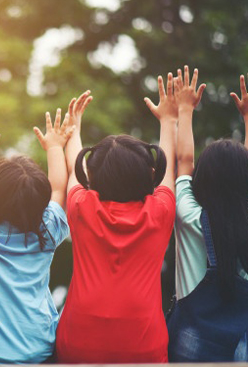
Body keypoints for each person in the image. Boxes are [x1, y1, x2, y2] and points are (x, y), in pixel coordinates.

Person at [56, 81, 177, 363]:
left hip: (77, 346)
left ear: (94, 179)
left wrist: (73, 128)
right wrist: (169, 120)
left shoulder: (81, 208)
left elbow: (75, 168)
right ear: (147, 174)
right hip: (143, 350)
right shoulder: (159, 213)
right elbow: (168, 167)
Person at [167, 68, 248, 361]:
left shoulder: (188, 216)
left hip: (187, 347)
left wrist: (185, 109)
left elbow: (184, 161)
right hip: (235, 351)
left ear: (203, 177)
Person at [0, 109, 72, 364]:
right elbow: (60, 188)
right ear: (41, 201)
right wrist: (54, 147)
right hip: (36, 353)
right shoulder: (48, 229)